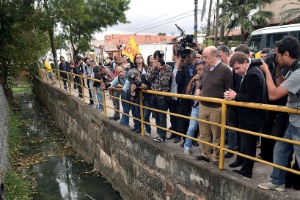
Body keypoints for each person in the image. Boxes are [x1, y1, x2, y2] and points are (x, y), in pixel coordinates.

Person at [258, 36, 300, 191]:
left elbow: (274, 95)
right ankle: (277, 181)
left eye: (277, 55)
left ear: (286, 54)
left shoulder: (298, 73)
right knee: (280, 148)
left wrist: (266, 72)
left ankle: (278, 180)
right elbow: (282, 85)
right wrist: (276, 70)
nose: (276, 57)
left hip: (298, 122)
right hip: (293, 118)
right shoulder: (293, 69)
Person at [224, 52, 266, 178]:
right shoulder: (251, 71)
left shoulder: (253, 74)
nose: (236, 72)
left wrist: (235, 96)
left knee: (249, 145)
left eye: (237, 68)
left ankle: (247, 170)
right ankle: (242, 164)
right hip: (247, 117)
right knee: (245, 143)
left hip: (251, 118)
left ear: (246, 62)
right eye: (234, 69)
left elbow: (253, 97)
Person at [195, 46, 233, 166]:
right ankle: (206, 154)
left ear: (215, 56)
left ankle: (216, 157)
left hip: (217, 107)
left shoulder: (225, 70)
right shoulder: (206, 69)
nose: (203, 59)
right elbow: (202, 82)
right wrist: (198, 89)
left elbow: (229, 88)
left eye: (206, 57)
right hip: (203, 105)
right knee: (204, 132)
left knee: (217, 134)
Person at [146, 59, 172, 143]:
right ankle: (158, 132)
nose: (156, 62)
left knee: (162, 116)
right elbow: (148, 78)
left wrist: (161, 70)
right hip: (153, 95)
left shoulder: (168, 68)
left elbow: (164, 82)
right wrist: (154, 69)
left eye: (158, 60)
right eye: (155, 60)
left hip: (163, 95)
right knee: (156, 115)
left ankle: (162, 136)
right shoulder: (151, 67)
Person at [183, 61, 205, 155]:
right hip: (196, 105)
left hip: (206, 105)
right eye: (197, 70)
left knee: (206, 131)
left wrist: (199, 87)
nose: (198, 72)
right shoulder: (197, 78)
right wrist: (192, 81)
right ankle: (187, 147)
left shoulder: (208, 78)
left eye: (200, 69)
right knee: (191, 127)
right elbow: (187, 92)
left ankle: (207, 151)